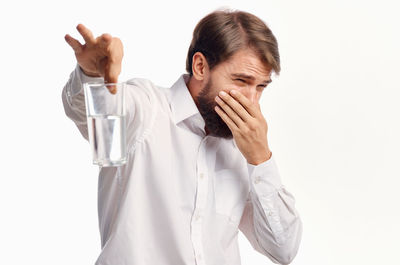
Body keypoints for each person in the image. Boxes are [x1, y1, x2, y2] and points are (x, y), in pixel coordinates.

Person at [62, 9, 302, 265]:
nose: (252, 100)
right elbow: (90, 113)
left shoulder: (244, 150)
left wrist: (260, 158)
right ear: (200, 66)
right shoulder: (146, 110)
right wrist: (91, 75)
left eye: (261, 86)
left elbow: (282, 250)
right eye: (241, 80)